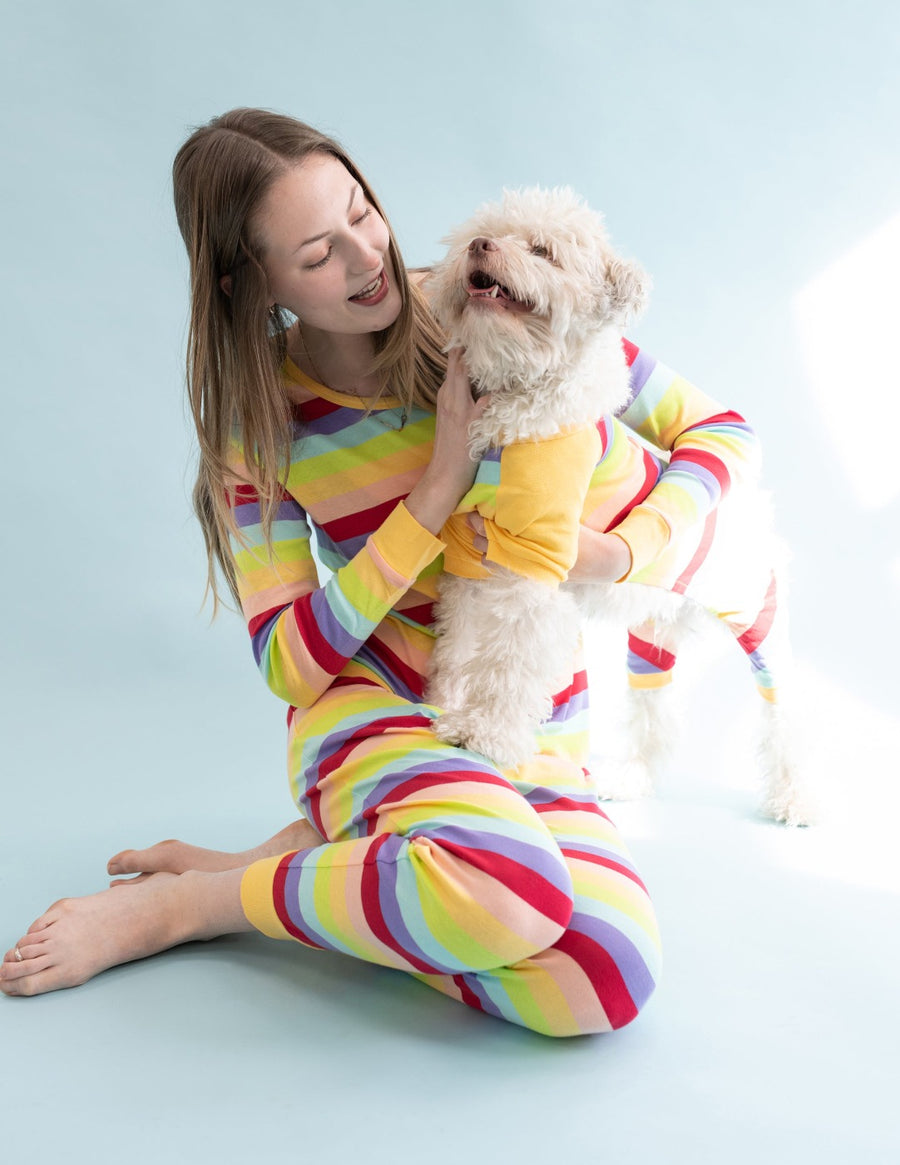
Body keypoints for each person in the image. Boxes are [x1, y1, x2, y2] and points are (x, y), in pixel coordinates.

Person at [0, 109, 758, 1035]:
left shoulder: (491, 297)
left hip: (520, 709)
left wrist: (620, 555)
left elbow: (719, 433)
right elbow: (290, 662)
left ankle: (319, 867)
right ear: (251, 286)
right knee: (513, 891)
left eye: (364, 213)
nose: (368, 258)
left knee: (606, 974)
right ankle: (192, 906)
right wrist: (434, 491)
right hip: (371, 705)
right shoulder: (262, 426)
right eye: (317, 253)